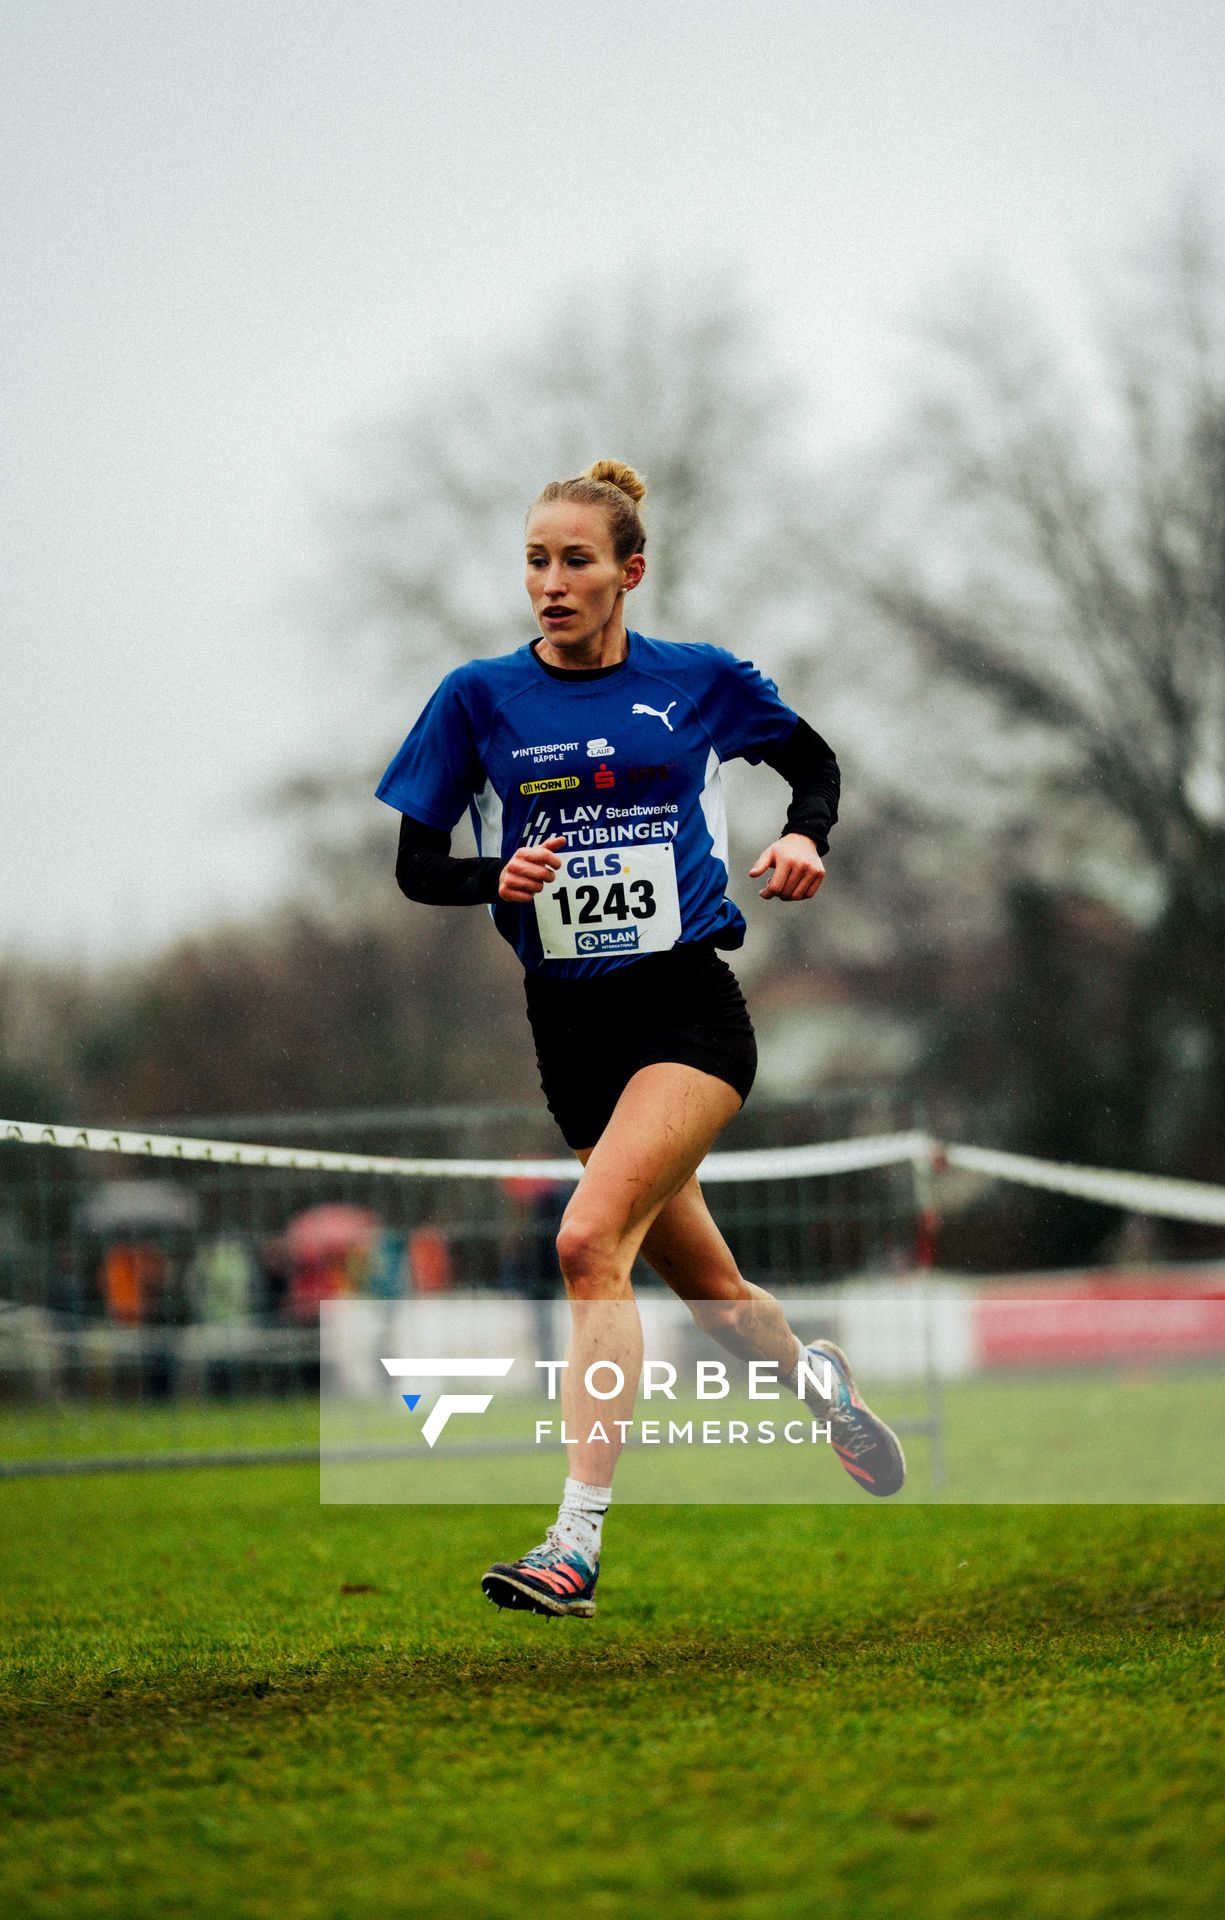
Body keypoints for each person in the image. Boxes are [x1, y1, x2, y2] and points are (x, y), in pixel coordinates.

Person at [376, 460, 905, 1620]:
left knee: (584, 1244)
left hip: (685, 1011)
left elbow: (809, 760)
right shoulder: (477, 697)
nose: (551, 584)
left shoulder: (696, 681)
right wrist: (491, 875)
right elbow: (416, 865)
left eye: (575, 561)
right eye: (534, 560)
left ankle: (573, 1545)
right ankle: (819, 1383)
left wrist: (804, 837)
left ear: (629, 570)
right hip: (567, 1029)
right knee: (715, 1294)